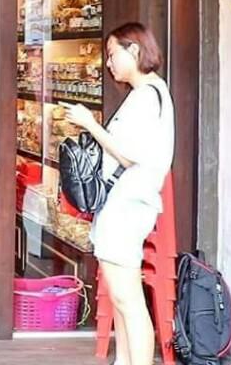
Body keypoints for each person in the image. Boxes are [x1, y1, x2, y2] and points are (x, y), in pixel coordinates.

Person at [63, 23, 174, 365]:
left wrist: (89, 124)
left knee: (129, 301)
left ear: (134, 51)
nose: (109, 63)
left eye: (112, 54)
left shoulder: (147, 96)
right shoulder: (147, 93)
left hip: (127, 206)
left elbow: (128, 155)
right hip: (124, 205)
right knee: (123, 299)